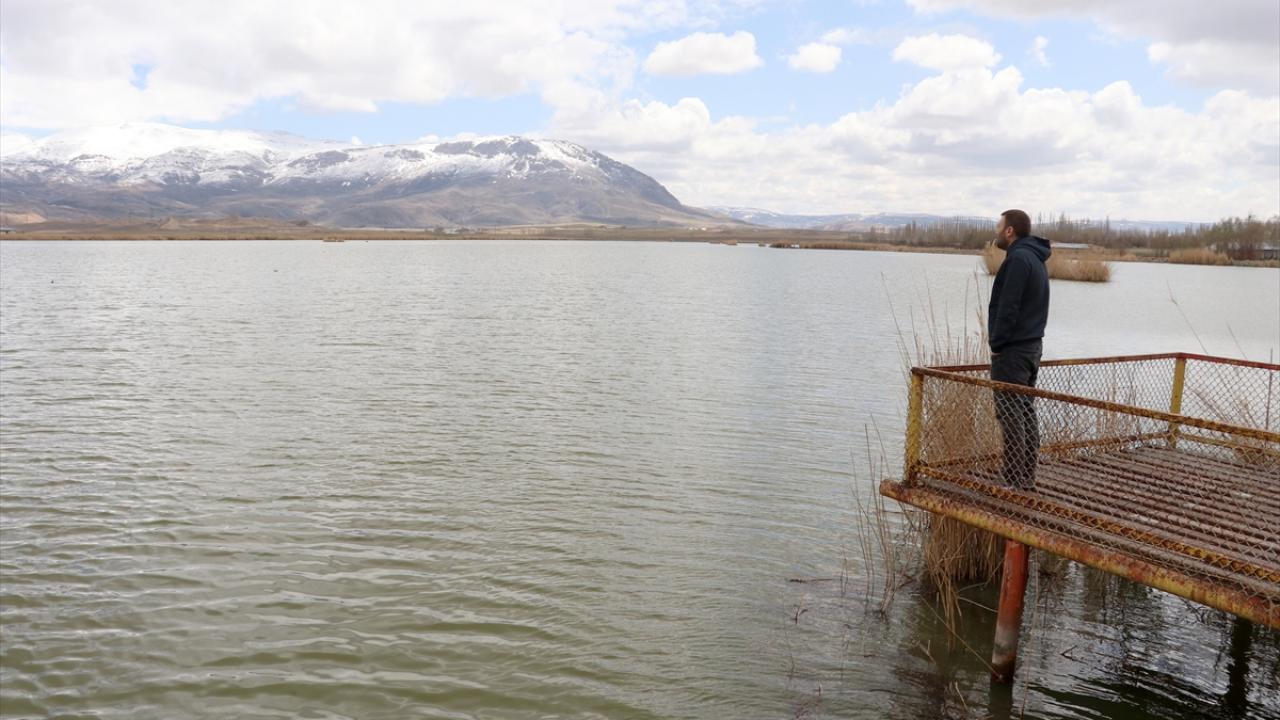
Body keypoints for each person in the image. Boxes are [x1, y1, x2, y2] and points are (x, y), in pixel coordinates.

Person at [988, 209, 1051, 489]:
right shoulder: (1035, 259)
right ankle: (1026, 477)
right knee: (1025, 410)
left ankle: (1014, 480)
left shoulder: (1017, 259)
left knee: (1011, 413)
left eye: (999, 226)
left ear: (1010, 231)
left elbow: (1008, 307)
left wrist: (997, 344)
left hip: (1013, 351)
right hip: (1032, 347)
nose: (997, 231)